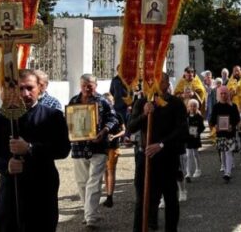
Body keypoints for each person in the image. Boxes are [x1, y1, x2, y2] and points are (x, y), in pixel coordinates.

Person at [0, 69, 70, 232]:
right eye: (20, 88)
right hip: (12, 188)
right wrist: (6, 165)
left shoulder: (53, 116)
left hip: (42, 186)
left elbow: (63, 149)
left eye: (30, 88)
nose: (25, 93)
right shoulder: (2, 119)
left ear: (40, 88)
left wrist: (30, 149)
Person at [128, 73, 188, 232]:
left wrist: (162, 144)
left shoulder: (176, 103)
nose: (155, 83)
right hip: (145, 156)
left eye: (160, 80)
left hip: (167, 157)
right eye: (152, 80)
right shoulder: (142, 102)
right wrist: (144, 114)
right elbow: (131, 127)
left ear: (167, 83)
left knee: (170, 197)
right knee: (142, 199)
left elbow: (182, 130)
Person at [68, 74, 118, 228]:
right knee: (82, 182)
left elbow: (113, 119)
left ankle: (91, 217)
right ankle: (88, 212)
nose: (87, 88)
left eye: (90, 85)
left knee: (94, 182)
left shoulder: (102, 101)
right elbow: (69, 121)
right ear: (80, 85)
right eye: (84, 85)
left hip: (98, 147)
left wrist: (103, 131)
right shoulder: (74, 101)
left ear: (96, 86)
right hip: (78, 147)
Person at [209, 86, 241, 183]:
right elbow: (212, 119)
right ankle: (224, 167)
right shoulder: (216, 106)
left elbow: (237, 118)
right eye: (221, 93)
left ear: (228, 94)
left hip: (230, 132)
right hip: (220, 132)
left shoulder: (233, 106)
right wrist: (215, 126)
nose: (223, 95)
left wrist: (232, 125)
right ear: (219, 95)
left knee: (229, 151)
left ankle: (228, 173)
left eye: (225, 93)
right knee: (222, 152)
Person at [102, 93, 126, 208]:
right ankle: (107, 194)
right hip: (103, 147)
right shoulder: (101, 115)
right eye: (106, 101)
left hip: (114, 146)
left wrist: (115, 136)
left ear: (113, 102)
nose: (109, 103)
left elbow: (124, 130)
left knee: (111, 170)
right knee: (105, 172)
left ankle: (110, 196)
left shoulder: (118, 115)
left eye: (110, 101)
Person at [184, 99, 205, 182]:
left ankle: (198, 169)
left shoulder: (199, 117)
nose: (192, 107)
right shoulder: (186, 116)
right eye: (191, 106)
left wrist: (198, 133)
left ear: (197, 107)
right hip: (188, 138)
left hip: (195, 138)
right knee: (188, 155)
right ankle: (188, 173)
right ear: (188, 107)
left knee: (195, 153)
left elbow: (202, 127)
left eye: (194, 106)